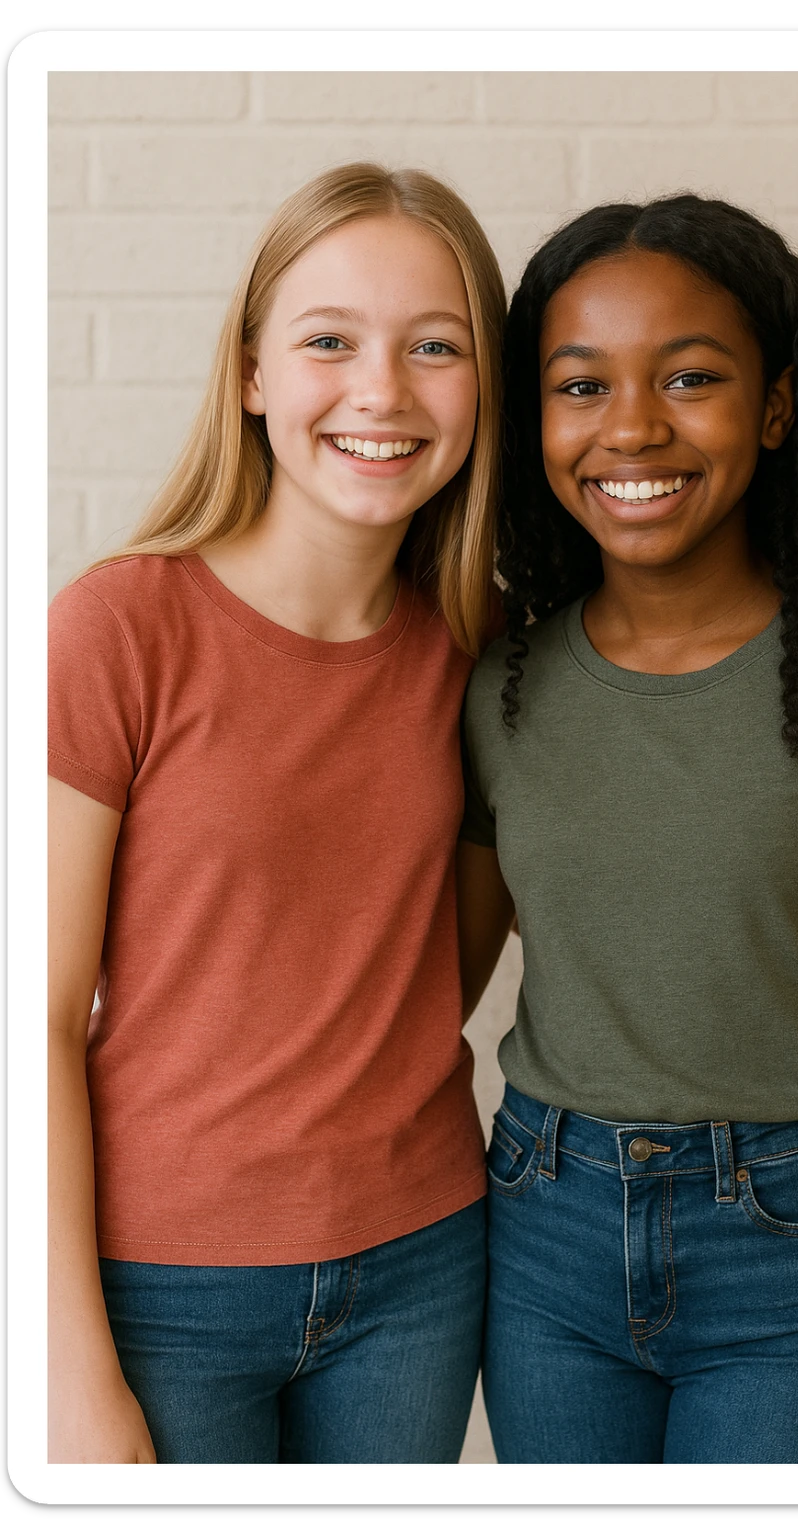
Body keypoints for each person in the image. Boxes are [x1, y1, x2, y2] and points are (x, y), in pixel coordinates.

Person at [457, 193, 798, 1464]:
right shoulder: (498, 685)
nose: (633, 425)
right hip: (543, 1232)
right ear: (534, 422)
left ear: (779, 407)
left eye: (690, 377)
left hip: (793, 1250)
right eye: (580, 386)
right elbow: (423, 994)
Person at [48, 162, 506, 1465]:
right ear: (251, 372)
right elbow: (34, 1022)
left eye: (436, 347)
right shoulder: (117, 630)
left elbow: (446, 963)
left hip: (420, 1266)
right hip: (160, 1286)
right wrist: (73, 1376)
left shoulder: (483, 653)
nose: (383, 391)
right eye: (329, 342)